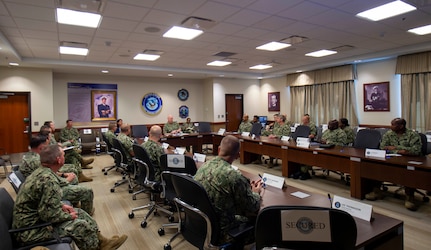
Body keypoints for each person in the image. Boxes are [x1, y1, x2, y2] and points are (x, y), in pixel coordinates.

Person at [12, 144, 127, 250]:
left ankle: (101, 242)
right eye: (63, 154)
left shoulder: (42, 172)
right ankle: (96, 248)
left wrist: (61, 206)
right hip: (30, 232)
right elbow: (49, 215)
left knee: (79, 212)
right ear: (59, 160)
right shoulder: (48, 180)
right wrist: (67, 216)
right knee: (78, 226)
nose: (65, 156)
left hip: (36, 222)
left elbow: (42, 202)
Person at [194, 135, 262, 245]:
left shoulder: (204, 166)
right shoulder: (234, 176)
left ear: (219, 149)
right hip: (224, 231)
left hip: (202, 222)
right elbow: (253, 206)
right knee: (260, 218)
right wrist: (256, 192)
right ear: (237, 156)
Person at [19, 135, 95, 215]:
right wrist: (67, 179)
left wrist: (63, 175)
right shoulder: (36, 161)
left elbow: (51, 176)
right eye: (46, 147)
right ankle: (86, 212)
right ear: (41, 148)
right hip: (43, 197)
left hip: (40, 193)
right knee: (87, 191)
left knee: (73, 173)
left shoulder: (30, 157)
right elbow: (52, 184)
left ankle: (75, 203)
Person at [365, 118, 422, 211]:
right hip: (391, 158)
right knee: (377, 166)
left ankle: (410, 197)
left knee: (409, 171)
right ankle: (376, 191)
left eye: (393, 124)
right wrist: (402, 150)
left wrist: (394, 148)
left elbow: (415, 150)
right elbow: (383, 147)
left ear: (401, 126)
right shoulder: (389, 134)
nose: (390, 126)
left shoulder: (413, 135)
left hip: (409, 160)